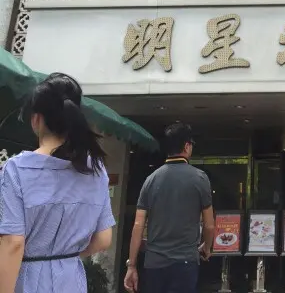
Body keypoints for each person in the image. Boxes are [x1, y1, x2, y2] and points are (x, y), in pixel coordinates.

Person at [0, 72, 114, 293]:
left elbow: (13, 243)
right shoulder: (95, 169)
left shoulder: (16, 170)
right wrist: (63, 255)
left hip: (27, 280)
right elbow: (103, 238)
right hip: (72, 280)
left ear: (36, 119)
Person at [124, 121, 215, 293]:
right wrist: (206, 247)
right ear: (187, 146)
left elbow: (138, 225)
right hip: (185, 261)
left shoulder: (151, 180)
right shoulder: (200, 178)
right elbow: (209, 225)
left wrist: (132, 265)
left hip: (154, 263)